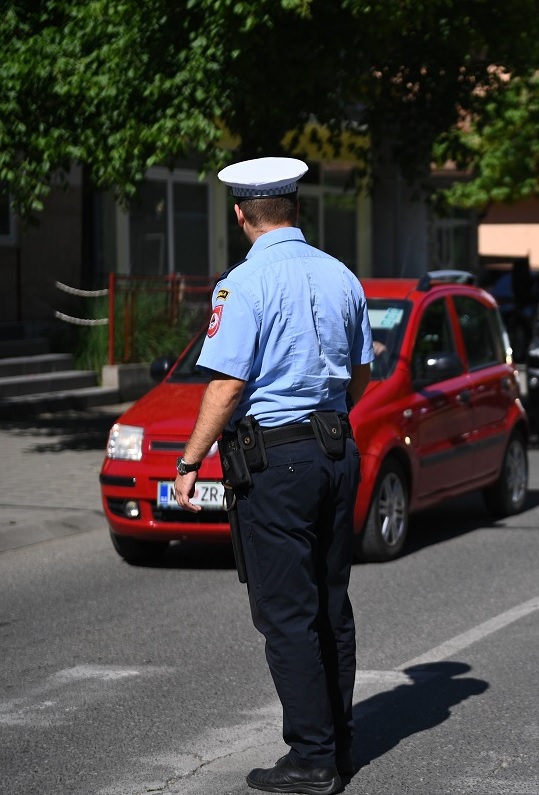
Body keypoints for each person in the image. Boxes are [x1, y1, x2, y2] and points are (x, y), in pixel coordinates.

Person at [174, 156, 373, 795]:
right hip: (337, 451)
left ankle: (312, 761)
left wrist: (189, 460)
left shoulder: (243, 284)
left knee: (288, 613)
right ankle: (339, 745)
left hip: (278, 462)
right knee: (330, 603)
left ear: (241, 214)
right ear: (296, 208)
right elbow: (362, 373)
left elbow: (228, 386)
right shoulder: (341, 275)